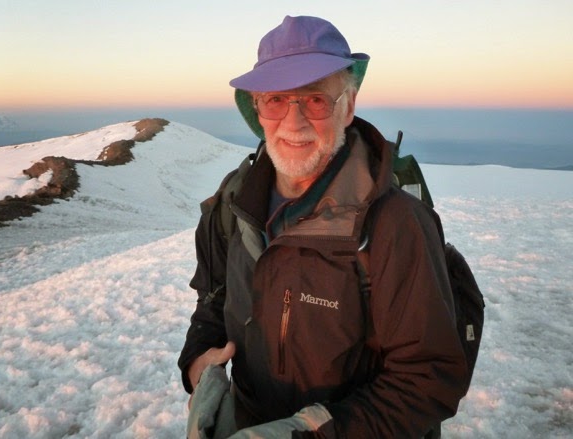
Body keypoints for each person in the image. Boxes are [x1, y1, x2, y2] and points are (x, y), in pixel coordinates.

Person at [178, 15, 468, 438]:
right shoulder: (234, 205)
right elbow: (213, 300)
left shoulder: (394, 225)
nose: (293, 123)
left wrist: (308, 432)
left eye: (315, 99)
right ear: (257, 109)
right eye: (276, 99)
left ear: (348, 106)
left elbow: (429, 379)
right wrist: (196, 363)